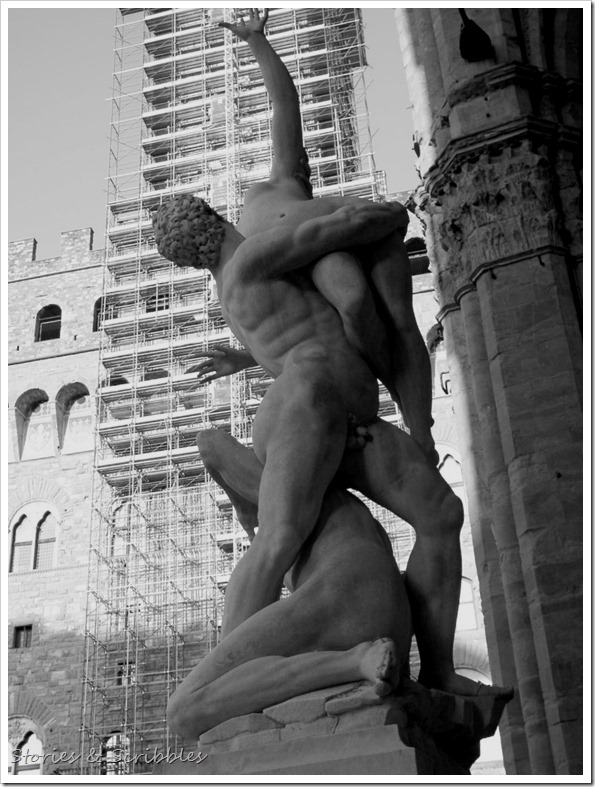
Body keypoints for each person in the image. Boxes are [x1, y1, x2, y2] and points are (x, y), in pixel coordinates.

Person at [152, 192, 511, 700]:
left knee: (440, 514)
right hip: (307, 402)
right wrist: (389, 213)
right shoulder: (252, 255)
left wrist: (241, 360)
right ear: (213, 215)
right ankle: (226, 677)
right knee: (280, 538)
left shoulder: (230, 285)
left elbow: (288, 329)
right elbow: (343, 226)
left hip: (349, 416)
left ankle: (438, 671)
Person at [212, 9, 436, 464]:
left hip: (355, 239)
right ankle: (384, 390)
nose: (303, 162)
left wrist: (257, 42)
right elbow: (294, 326)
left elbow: (284, 104)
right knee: (350, 302)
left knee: (387, 314)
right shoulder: (242, 262)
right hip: (315, 261)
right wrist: (244, 359)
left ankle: (421, 426)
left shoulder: (279, 187)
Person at [166, 428, 412, 738]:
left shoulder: (285, 487)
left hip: (341, 598)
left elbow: (209, 443)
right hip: (392, 618)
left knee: (183, 711)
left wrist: (242, 507)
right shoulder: (344, 507)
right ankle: (356, 661)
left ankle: (354, 661)